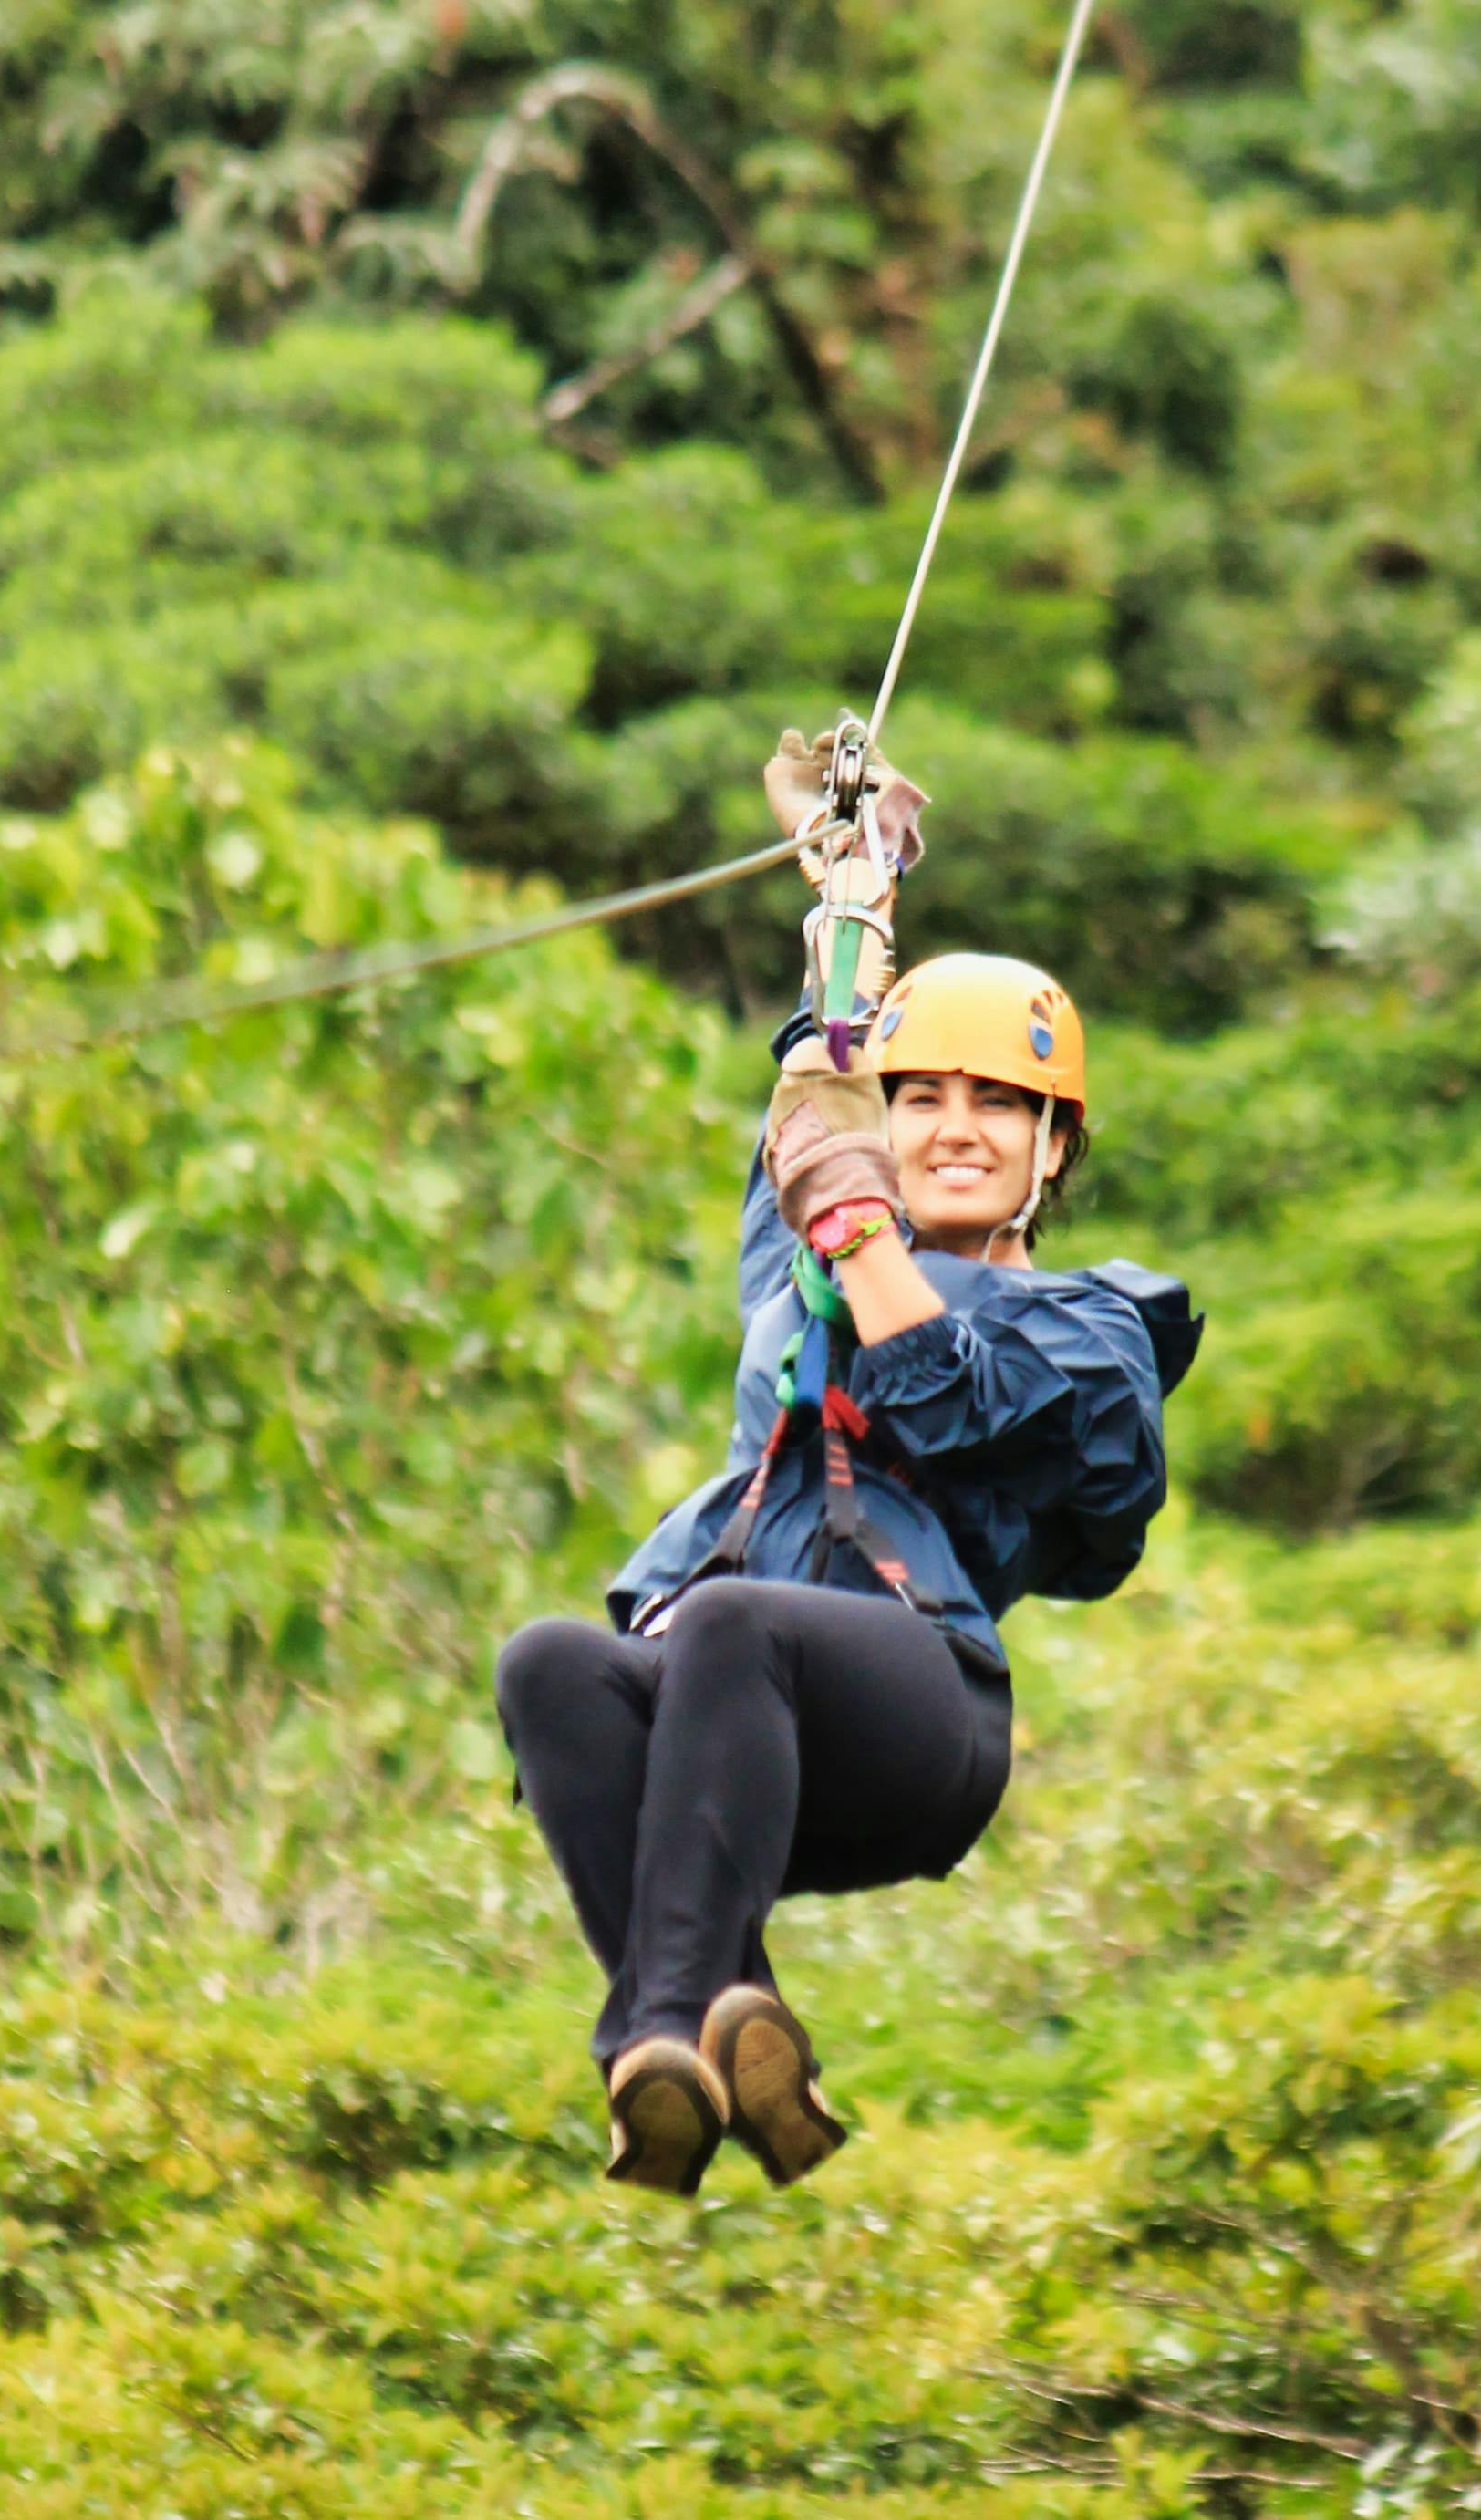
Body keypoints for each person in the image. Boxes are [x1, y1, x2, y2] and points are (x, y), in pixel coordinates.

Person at [493, 731, 1202, 2196]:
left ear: (1053, 1151)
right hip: (727, 1728)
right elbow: (820, 1080)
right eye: (922, 1100)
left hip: (914, 1718)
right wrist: (852, 883)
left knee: (738, 1624)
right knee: (553, 1665)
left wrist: (861, 1228)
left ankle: (661, 2024)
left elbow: (945, 1400)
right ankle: (722, 2037)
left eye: (997, 1107)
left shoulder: (1090, 1328)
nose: (951, 1130)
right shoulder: (810, 1241)